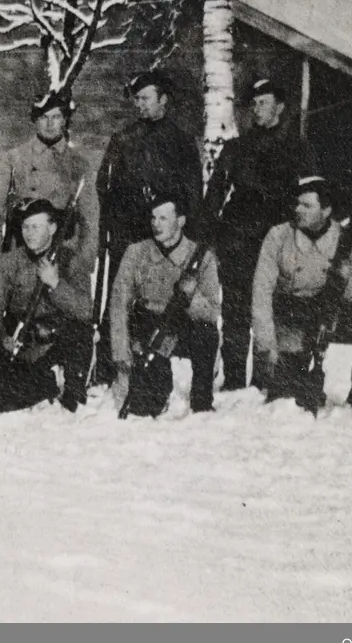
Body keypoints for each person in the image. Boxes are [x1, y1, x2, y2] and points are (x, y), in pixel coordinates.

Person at [204, 77, 318, 392]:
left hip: (278, 241)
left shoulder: (298, 149)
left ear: (280, 107)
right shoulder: (236, 148)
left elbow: (309, 196)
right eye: (253, 104)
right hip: (239, 240)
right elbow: (215, 194)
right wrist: (210, 233)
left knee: (273, 308)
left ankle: (266, 378)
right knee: (236, 310)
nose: (257, 109)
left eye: (263, 102)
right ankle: (235, 380)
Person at [95, 70, 202, 386]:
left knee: (164, 301)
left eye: (146, 98)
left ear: (163, 100)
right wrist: (113, 224)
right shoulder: (123, 139)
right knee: (118, 296)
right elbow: (105, 185)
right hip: (129, 234)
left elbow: (193, 192)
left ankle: (156, 363)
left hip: (167, 238)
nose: (139, 104)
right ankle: (107, 366)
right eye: (137, 99)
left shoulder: (182, 142)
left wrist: (188, 236)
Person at [251, 176, 352, 410]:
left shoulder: (347, 239)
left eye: (307, 206)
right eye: (297, 204)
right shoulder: (278, 236)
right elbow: (261, 293)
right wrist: (266, 345)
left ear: (326, 210)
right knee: (285, 401)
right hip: (291, 316)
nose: (298, 210)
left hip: (329, 314)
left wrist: (343, 281)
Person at [109, 194, 220, 418]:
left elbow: (212, 311)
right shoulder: (136, 252)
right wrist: (121, 352)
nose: (155, 224)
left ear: (180, 221)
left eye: (163, 218)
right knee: (145, 406)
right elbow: (119, 303)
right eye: (153, 218)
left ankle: (202, 401)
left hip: (184, 325)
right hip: (147, 326)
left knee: (207, 334)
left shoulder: (202, 256)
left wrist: (192, 296)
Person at [0, 197, 93, 414]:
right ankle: (45, 381)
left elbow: (85, 310)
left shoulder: (72, 260)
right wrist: (1, 339)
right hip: (25, 341)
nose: (29, 233)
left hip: (60, 337)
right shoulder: (9, 262)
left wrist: (56, 284)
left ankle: (73, 386)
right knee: (6, 402)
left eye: (35, 226)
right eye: (25, 227)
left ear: (52, 228)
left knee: (81, 332)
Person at [3, 87, 98, 263]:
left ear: (64, 120)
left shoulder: (78, 163)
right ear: (35, 120)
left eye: (56, 117)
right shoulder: (15, 157)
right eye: (44, 117)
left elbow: (90, 216)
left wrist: (86, 257)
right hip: (22, 247)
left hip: (64, 248)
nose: (49, 123)